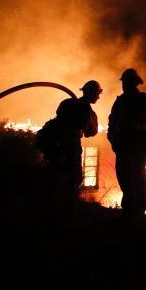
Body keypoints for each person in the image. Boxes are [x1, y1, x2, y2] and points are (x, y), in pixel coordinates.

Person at [38, 80, 102, 208]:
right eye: (97, 93)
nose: (98, 97)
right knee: (72, 180)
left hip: (56, 146)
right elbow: (90, 132)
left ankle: (50, 208)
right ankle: (66, 211)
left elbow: (59, 115)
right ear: (92, 93)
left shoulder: (67, 103)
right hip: (70, 147)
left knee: (55, 178)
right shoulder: (88, 112)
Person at [107, 68, 146, 218]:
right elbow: (112, 122)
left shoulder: (143, 100)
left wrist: (141, 145)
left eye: (126, 82)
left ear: (133, 83)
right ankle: (130, 212)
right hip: (123, 148)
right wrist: (113, 139)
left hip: (136, 149)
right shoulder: (120, 101)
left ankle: (135, 214)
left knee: (136, 180)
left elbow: (143, 125)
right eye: (124, 82)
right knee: (125, 179)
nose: (124, 85)